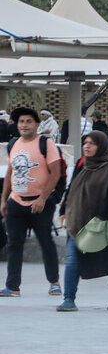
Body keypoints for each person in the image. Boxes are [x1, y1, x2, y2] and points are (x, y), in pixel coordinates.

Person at [56, 130, 108, 312]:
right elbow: (72, 187)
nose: (87, 146)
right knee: (73, 259)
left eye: (92, 143)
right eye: (85, 143)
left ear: (101, 146)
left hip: (101, 223)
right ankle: (69, 299)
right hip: (78, 220)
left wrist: (99, 220)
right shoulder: (82, 164)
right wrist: (65, 208)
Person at [2, 106, 65, 297]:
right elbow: (10, 173)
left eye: (28, 121)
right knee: (14, 244)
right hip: (16, 202)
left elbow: (55, 174)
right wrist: (3, 200)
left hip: (40, 204)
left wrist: (43, 198)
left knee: (46, 242)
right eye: (21, 121)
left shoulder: (46, 143)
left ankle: (54, 282)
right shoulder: (13, 144)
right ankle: (12, 286)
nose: (24, 125)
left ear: (37, 124)